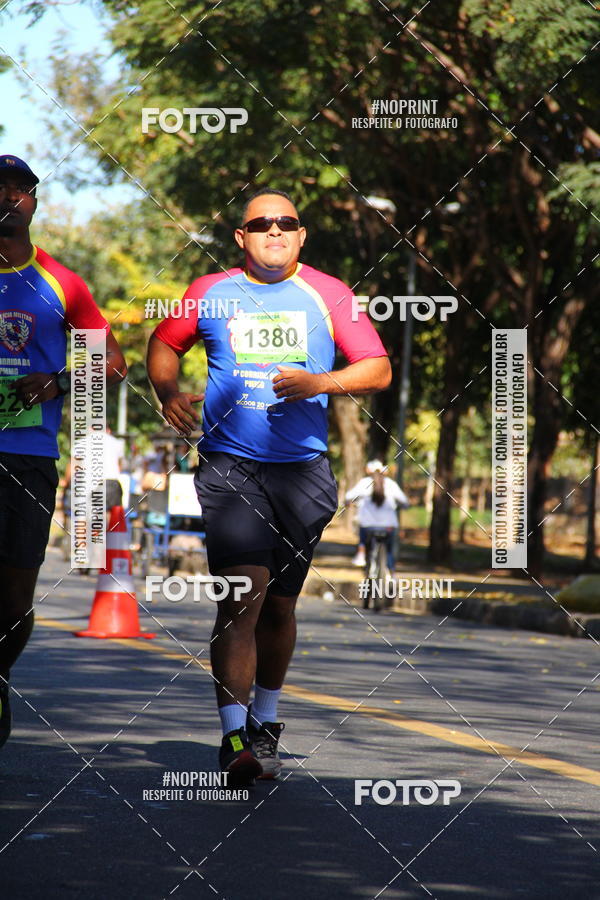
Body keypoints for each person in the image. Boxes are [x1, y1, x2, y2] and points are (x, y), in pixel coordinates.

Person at [147, 187, 391, 783]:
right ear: (242, 237)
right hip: (231, 467)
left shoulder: (330, 294)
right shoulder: (209, 291)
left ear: (302, 234)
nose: (274, 231)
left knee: (280, 606)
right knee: (242, 600)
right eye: (261, 224)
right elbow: (163, 343)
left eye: (286, 223)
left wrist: (321, 382)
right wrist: (168, 392)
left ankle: (267, 719)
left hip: (303, 472)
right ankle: (234, 739)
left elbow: (378, 368)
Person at [0, 154, 127, 750]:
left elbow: (115, 365)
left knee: (15, 601)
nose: (6, 197)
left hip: (28, 458)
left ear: (32, 201)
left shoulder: (62, 284)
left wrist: (57, 381)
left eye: (17, 189)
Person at [345, 460, 409, 569]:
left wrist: (349, 502)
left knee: (363, 528)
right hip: (388, 526)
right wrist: (402, 506)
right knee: (389, 550)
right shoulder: (391, 484)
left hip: (368, 527)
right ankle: (390, 573)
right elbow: (404, 501)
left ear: (368, 471)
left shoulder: (364, 483)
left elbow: (348, 496)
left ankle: (361, 552)